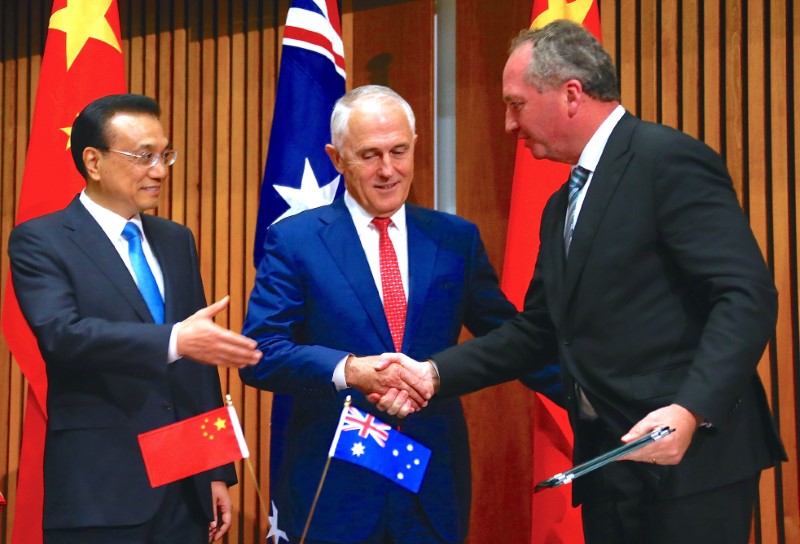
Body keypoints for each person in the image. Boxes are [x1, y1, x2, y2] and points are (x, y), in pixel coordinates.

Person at [371, 21, 787, 544]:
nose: (507, 124)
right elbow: (539, 331)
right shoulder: (561, 205)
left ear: (571, 94)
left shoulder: (667, 161)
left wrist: (690, 410)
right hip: (608, 466)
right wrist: (432, 373)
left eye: (516, 104)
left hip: (691, 464)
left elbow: (745, 295)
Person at [239, 85, 517, 544]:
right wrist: (350, 371)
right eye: (369, 155)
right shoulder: (296, 241)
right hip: (335, 490)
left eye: (399, 151)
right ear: (336, 158)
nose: (388, 170)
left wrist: (599, 401)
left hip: (432, 486)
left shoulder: (455, 240)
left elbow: (511, 338)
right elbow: (261, 354)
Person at [8, 93, 262, 544]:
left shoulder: (175, 240)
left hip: (184, 490)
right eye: (144, 156)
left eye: (165, 155)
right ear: (93, 161)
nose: (161, 171)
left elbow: (197, 365)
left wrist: (215, 469)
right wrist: (174, 341)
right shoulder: (41, 240)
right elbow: (62, 335)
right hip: (100, 488)